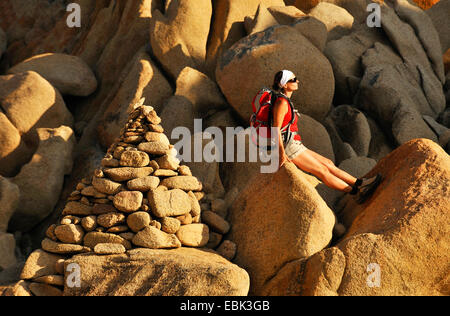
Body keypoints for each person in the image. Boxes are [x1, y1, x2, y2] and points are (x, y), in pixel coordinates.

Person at [271, 70, 381, 203]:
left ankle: (360, 182)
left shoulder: (286, 101)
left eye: (296, 78)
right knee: (322, 171)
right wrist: (282, 154)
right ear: (284, 84)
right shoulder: (281, 103)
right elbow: (275, 129)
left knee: (328, 163)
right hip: (289, 147)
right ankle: (356, 192)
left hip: (294, 143)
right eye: (293, 80)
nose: (297, 81)